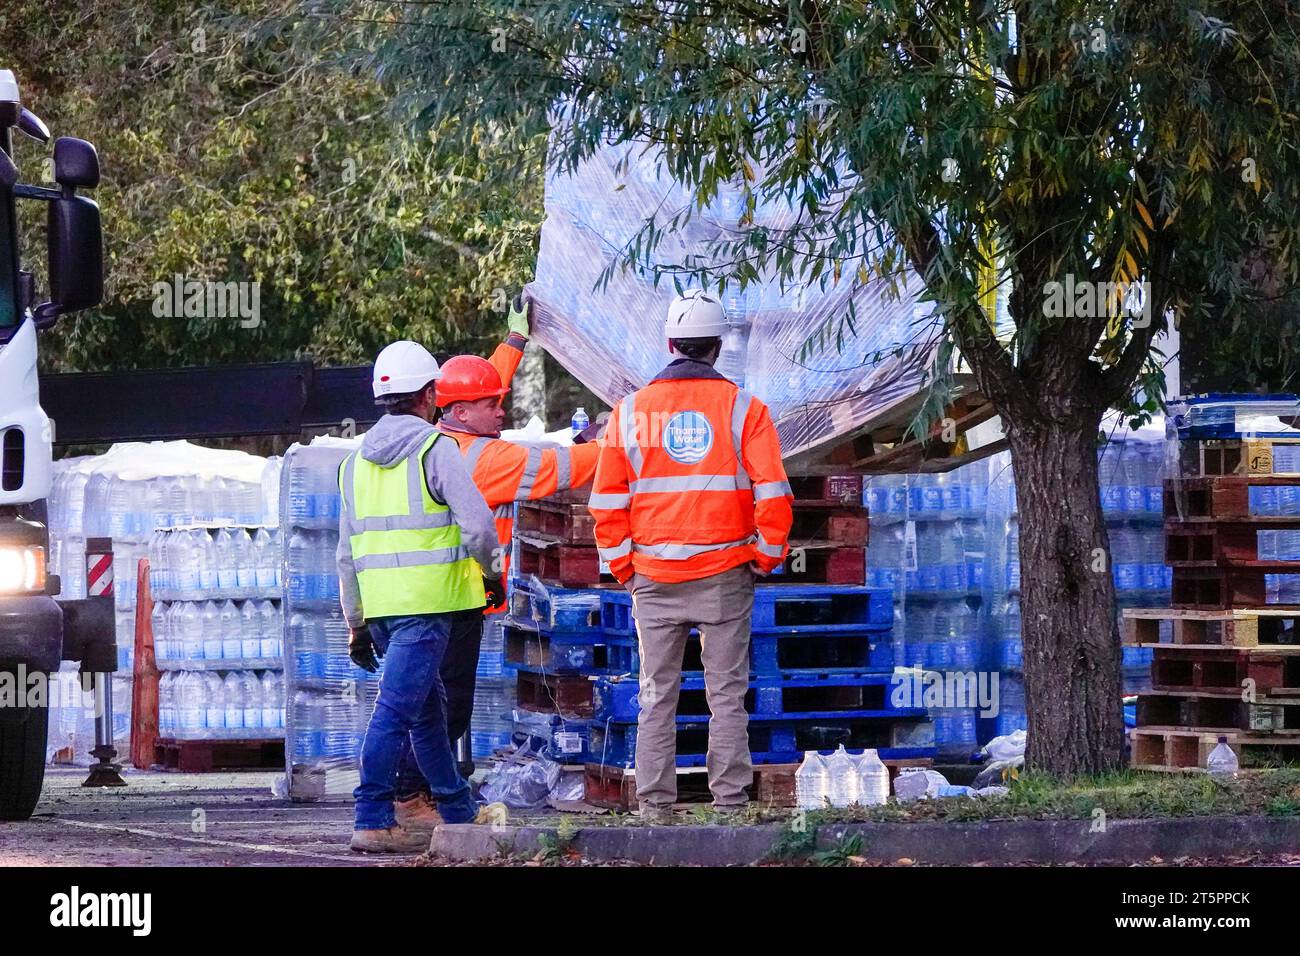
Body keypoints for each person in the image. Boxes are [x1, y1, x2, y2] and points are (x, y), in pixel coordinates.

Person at [388, 295, 606, 811]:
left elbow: (478, 389)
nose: (502, 407)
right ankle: (413, 792)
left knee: (425, 696)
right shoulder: (489, 460)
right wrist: (625, 434)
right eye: (493, 404)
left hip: (421, 595)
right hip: (456, 596)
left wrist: (514, 341)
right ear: (461, 410)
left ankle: (419, 788)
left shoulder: (443, 437)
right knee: (446, 701)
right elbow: (569, 469)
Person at [588, 289, 794, 821]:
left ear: (670, 343)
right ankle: (729, 804)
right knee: (727, 697)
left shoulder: (629, 413)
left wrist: (624, 568)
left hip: (653, 579)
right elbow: (773, 494)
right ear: (717, 347)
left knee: (657, 695)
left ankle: (654, 807)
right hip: (726, 575)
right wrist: (765, 557)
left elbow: (607, 502)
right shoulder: (746, 410)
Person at [338, 340, 502, 853]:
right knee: (394, 712)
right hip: (428, 609)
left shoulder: (353, 464)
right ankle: (371, 815)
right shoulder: (437, 449)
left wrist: (357, 622)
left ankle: (456, 809)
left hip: (384, 611)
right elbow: (478, 526)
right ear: (430, 395)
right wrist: (492, 572)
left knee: (429, 711)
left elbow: (346, 554)